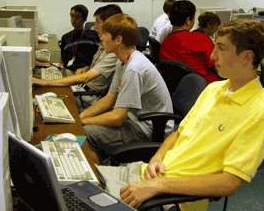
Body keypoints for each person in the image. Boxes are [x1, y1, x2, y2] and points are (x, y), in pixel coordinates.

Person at [95, 19, 264, 211]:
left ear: (246, 57)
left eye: (221, 48)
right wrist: (156, 159)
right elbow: (178, 134)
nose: (212, 55)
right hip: (149, 176)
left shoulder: (258, 110)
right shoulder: (214, 89)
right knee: (77, 182)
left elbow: (229, 183)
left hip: (170, 198)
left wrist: (157, 186)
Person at [80, 14, 174, 165]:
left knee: (86, 134)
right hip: (134, 120)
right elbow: (110, 98)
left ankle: (98, 180)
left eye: (105, 34)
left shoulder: (133, 69)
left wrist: (83, 123)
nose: (101, 38)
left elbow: (117, 118)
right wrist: (82, 117)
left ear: (118, 40)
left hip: (147, 130)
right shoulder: (123, 60)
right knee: (84, 127)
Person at [33, 5, 122, 110]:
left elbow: (86, 78)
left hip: (88, 95)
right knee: (45, 91)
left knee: (46, 93)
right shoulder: (104, 46)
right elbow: (97, 70)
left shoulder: (114, 53)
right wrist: (88, 68)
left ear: (110, 25)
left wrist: (45, 83)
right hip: (82, 88)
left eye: (98, 22)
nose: (94, 26)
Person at [160, 0, 220, 84]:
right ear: (188, 20)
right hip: (209, 87)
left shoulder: (164, 43)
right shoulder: (201, 39)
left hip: (182, 89)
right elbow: (217, 66)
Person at [60, 4, 99, 75]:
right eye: (72, 16)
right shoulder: (65, 37)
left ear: (85, 19)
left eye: (77, 17)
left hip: (88, 71)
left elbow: (97, 57)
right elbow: (64, 59)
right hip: (71, 71)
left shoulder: (94, 35)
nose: (73, 19)